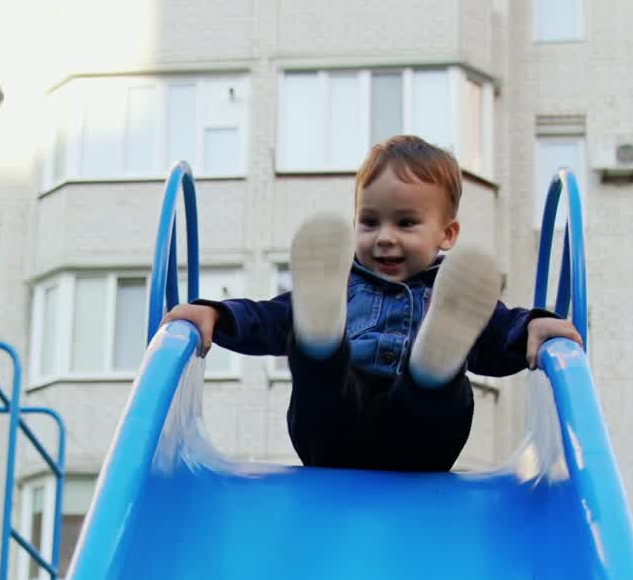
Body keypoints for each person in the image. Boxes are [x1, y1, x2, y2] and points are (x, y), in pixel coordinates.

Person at [161, 134, 584, 473]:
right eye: (369, 222)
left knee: (439, 389)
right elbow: (270, 318)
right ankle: (321, 341)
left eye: (406, 223)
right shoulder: (340, 283)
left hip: (421, 448)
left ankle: (434, 363)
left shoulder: (455, 294)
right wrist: (217, 314)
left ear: (448, 235)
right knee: (319, 370)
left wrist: (533, 326)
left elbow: (501, 332)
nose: (384, 237)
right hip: (332, 439)